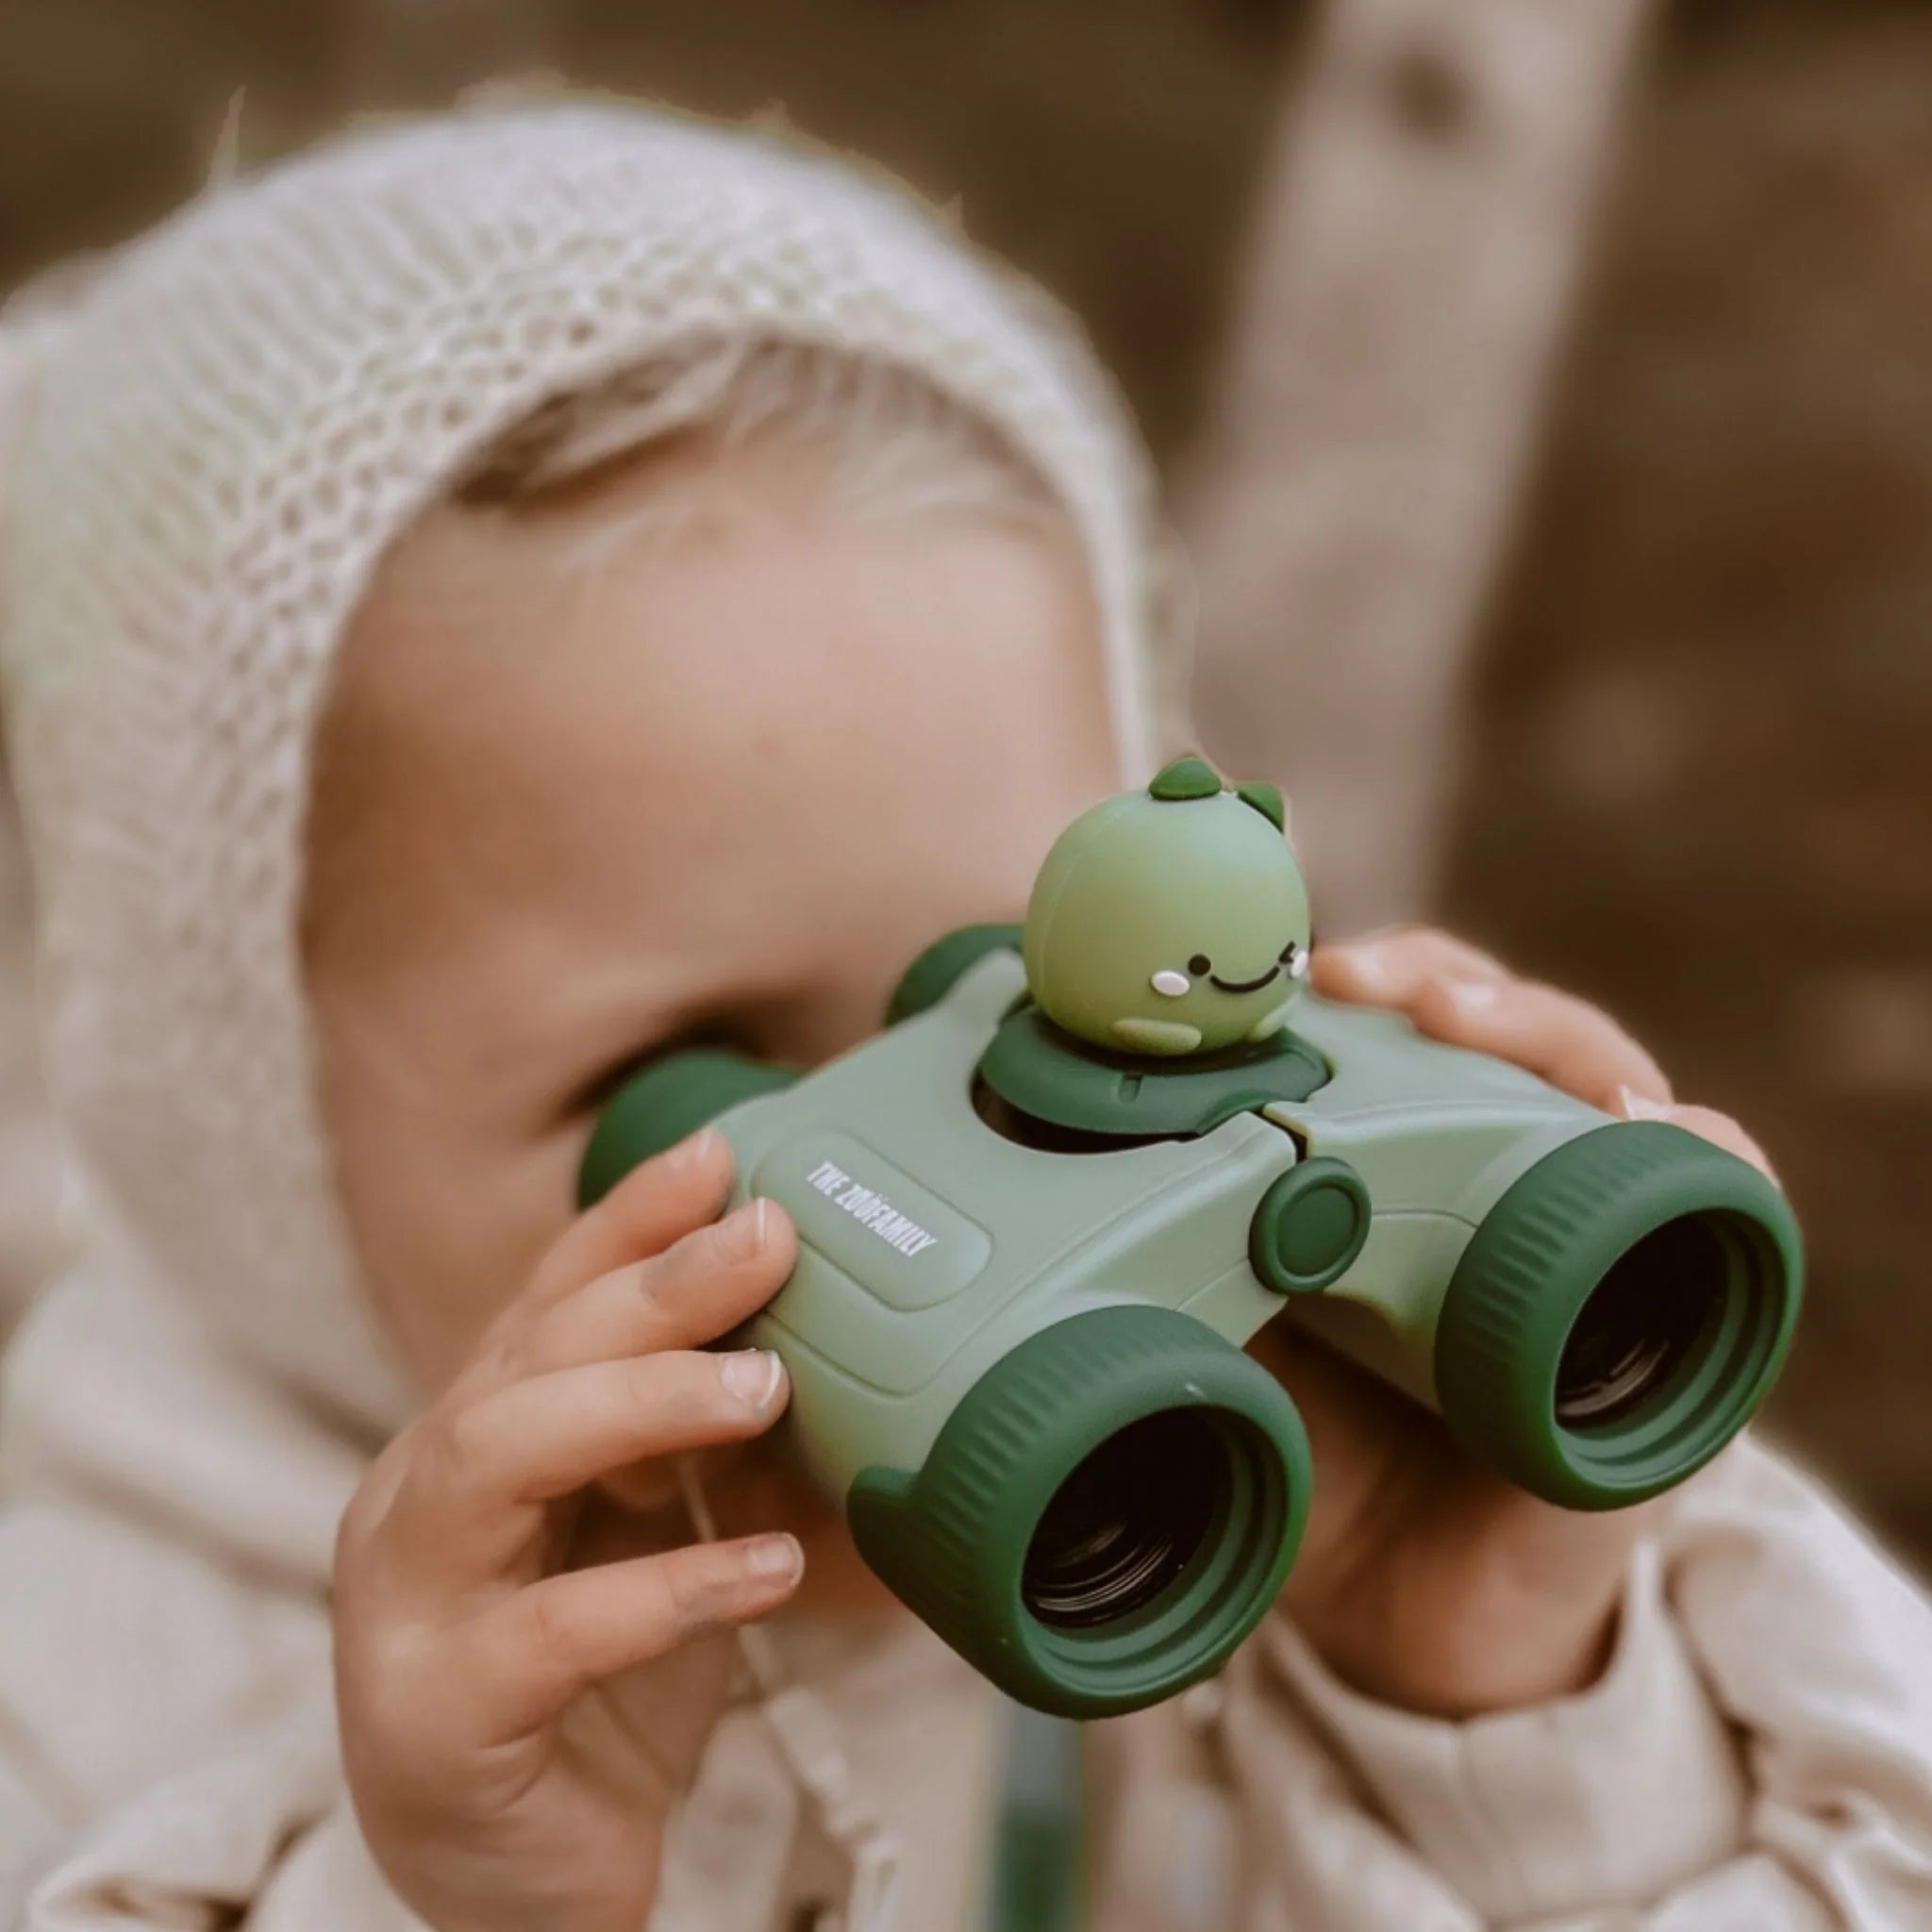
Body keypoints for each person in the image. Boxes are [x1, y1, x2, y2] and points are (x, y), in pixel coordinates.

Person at [0, 101, 1926, 1932]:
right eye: (683, 1081)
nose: (920, 1154)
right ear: (243, 1142)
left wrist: (1511, 1720)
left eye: (1009, 986)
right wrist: (439, 1899)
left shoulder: (1248, 1469)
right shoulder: (73, 1660)